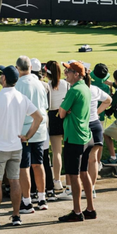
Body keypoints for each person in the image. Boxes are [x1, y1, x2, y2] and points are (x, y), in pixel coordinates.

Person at [0, 64, 43, 229]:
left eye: (1, 74)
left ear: (4, 78)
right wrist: (27, 136)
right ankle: (16, 215)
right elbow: (39, 118)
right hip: (16, 146)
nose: (0, 76)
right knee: (15, 181)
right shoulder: (22, 97)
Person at [56, 61, 96, 222]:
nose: (65, 73)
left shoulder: (74, 90)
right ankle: (90, 208)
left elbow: (61, 113)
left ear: (77, 74)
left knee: (73, 175)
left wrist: (64, 109)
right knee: (83, 172)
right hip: (86, 136)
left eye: (68, 71)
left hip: (74, 137)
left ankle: (77, 211)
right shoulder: (85, 88)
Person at [13, 56, 49, 212]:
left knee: (24, 167)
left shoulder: (18, 85)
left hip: (24, 131)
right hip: (39, 130)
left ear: (17, 68)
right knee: (38, 164)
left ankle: (27, 201)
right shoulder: (39, 83)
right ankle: (42, 198)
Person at [43, 60, 68, 199]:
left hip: (53, 116)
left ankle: (57, 180)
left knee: (56, 151)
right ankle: (66, 180)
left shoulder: (47, 86)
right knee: (67, 149)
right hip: (65, 115)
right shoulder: (66, 84)